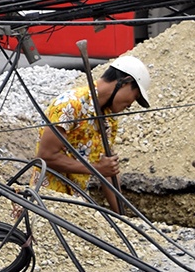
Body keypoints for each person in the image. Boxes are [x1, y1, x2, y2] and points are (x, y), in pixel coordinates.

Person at [35, 55, 151, 196]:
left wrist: (121, 216)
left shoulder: (109, 120)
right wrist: (96, 169)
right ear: (126, 82)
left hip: (78, 204)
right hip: (47, 200)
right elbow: (46, 156)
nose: (131, 104)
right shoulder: (70, 105)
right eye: (136, 95)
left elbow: (107, 172)